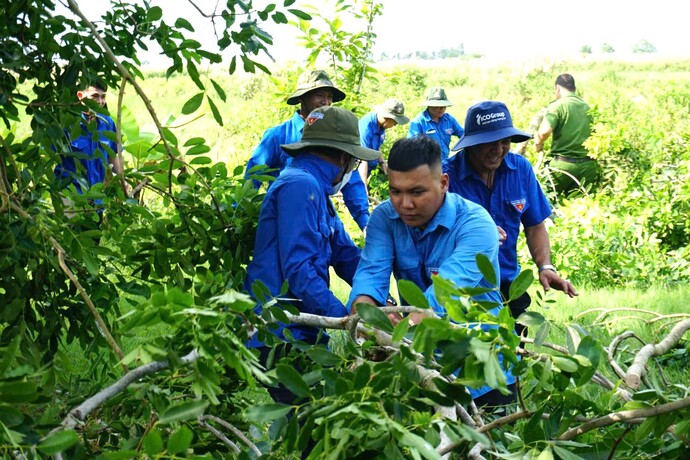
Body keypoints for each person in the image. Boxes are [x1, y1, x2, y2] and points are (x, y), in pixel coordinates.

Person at [347, 135, 514, 406]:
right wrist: (367, 321)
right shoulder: (384, 219)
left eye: (417, 192)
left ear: (443, 183)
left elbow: (442, 297)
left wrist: (393, 334)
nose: (405, 204)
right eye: (395, 191)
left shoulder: (476, 224)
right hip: (419, 363)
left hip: (482, 372)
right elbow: (368, 280)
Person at [244, 105, 379, 354]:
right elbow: (299, 269)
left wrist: (377, 297)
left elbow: (346, 254)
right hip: (277, 330)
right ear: (343, 158)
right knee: (315, 391)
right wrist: (346, 319)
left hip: (301, 325)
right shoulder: (299, 186)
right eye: (354, 162)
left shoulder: (317, 189)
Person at [445, 101, 578, 337]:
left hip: (508, 283)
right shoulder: (447, 177)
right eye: (489, 143)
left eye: (504, 141)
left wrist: (545, 266)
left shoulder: (520, 170)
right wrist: (476, 231)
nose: (498, 149)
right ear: (472, 144)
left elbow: (535, 224)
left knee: (513, 356)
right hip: (462, 284)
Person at [244, 69, 370, 230]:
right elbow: (251, 179)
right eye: (320, 95)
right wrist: (239, 217)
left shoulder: (335, 138)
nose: (326, 102)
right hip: (286, 220)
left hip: (321, 218)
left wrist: (365, 222)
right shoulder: (278, 135)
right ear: (302, 97)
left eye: (330, 97)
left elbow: (350, 180)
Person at [54, 80, 127, 213]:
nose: (100, 101)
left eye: (103, 97)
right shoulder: (67, 124)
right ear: (80, 96)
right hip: (70, 195)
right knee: (72, 231)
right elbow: (51, 156)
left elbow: (112, 155)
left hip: (96, 196)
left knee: (94, 232)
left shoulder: (107, 123)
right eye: (94, 96)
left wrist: (123, 180)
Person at [533, 73, 598, 196]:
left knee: (546, 200)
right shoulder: (587, 107)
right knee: (582, 207)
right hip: (588, 167)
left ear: (558, 88)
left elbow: (544, 132)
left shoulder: (557, 106)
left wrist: (538, 143)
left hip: (563, 166)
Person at [357, 98, 410, 180]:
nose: (395, 125)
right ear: (387, 118)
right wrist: (363, 187)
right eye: (395, 122)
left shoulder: (381, 126)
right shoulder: (366, 127)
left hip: (369, 170)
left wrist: (383, 163)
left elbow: (376, 147)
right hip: (358, 171)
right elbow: (362, 160)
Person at [407, 87, 464, 160]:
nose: (441, 109)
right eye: (437, 106)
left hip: (444, 162)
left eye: (443, 106)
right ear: (429, 106)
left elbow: (463, 134)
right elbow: (411, 147)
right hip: (426, 165)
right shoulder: (418, 122)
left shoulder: (449, 120)